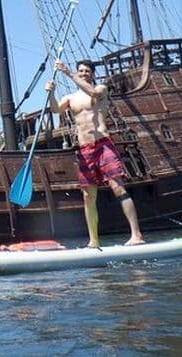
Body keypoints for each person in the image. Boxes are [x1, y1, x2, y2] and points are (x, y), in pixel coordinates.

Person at [46, 59, 145, 247]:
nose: (83, 73)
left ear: (92, 74)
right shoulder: (70, 98)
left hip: (103, 144)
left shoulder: (101, 89)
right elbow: (55, 109)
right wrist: (51, 93)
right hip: (84, 150)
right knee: (88, 196)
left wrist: (69, 73)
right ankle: (94, 241)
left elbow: (92, 92)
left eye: (86, 71)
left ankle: (136, 235)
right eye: (80, 71)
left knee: (118, 187)